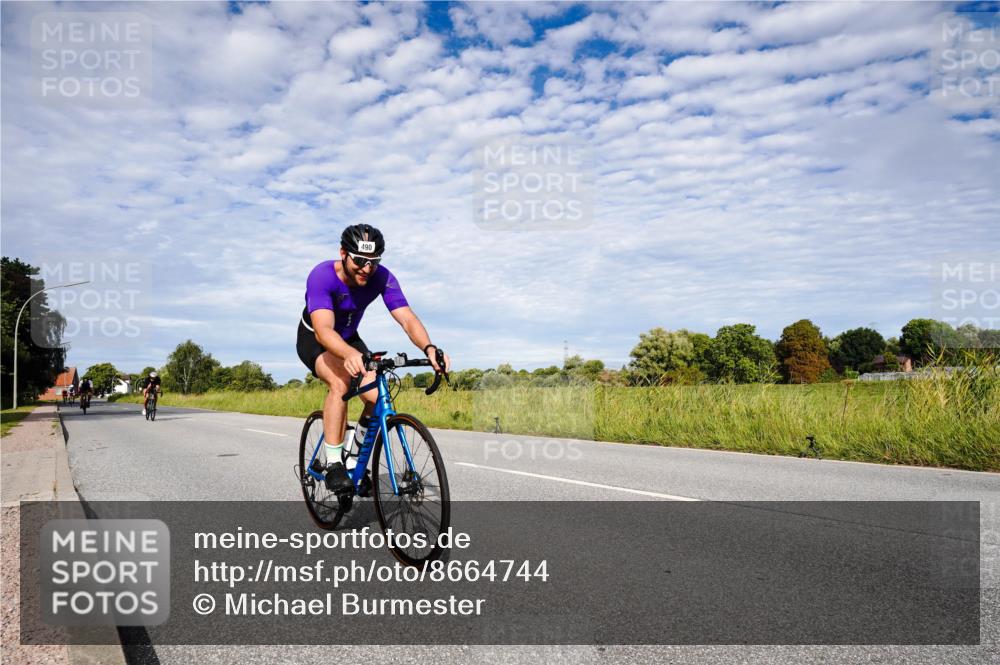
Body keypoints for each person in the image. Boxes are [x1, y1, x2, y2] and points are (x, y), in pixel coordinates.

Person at [297, 223, 450, 492]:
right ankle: (334, 465)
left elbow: (406, 317)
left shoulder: (381, 277)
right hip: (316, 338)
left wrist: (428, 347)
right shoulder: (321, 276)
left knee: (376, 396)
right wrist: (348, 354)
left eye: (374, 262)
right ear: (343, 253)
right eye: (359, 260)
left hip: (349, 337)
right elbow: (323, 331)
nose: (366, 269)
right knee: (341, 382)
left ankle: (355, 458)